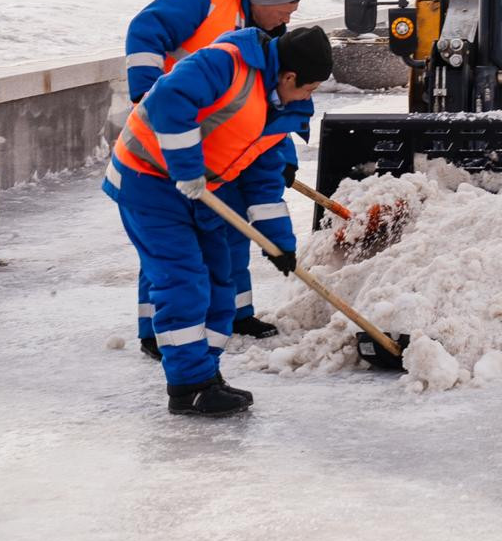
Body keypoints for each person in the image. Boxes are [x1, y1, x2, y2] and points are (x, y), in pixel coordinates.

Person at [103, 25, 332, 416]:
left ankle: (206, 374)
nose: (308, 98)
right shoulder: (226, 63)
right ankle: (188, 386)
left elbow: (263, 183)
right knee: (183, 282)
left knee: (219, 279)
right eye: (309, 89)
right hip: (148, 180)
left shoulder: (278, 109)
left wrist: (279, 245)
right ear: (289, 76)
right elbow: (168, 100)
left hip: (204, 189)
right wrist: (187, 168)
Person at [125, 0, 306, 356]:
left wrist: (281, 156)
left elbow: (271, 102)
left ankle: (238, 314)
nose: (290, 15)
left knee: (232, 222)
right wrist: (146, 95)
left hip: (221, 140)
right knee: (169, 241)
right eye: (285, 6)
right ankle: (155, 328)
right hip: (174, 135)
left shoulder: (268, 31)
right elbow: (145, 29)